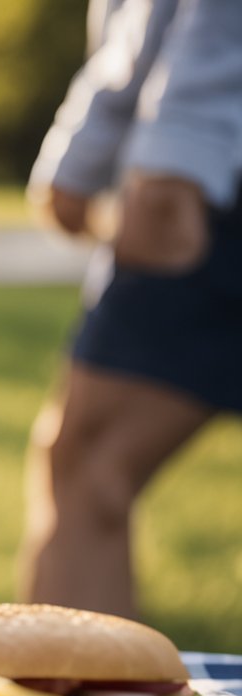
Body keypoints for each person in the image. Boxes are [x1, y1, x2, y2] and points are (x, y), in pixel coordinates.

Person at [17, 0, 242, 620]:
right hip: (207, 149)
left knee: (93, 463)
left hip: (217, 169)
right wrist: (90, 138)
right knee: (90, 464)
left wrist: (178, 150)